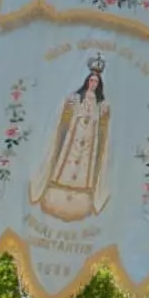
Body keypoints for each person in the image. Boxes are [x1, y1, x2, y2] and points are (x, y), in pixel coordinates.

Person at [30, 55, 112, 221]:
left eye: (96, 82)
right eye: (91, 81)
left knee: (85, 163)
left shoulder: (101, 103)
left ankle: (83, 189)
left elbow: (103, 123)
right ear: (87, 81)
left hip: (90, 136)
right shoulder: (76, 97)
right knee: (67, 159)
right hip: (74, 135)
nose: (93, 84)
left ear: (99, 84)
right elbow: (65, 115)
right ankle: (60, 184)